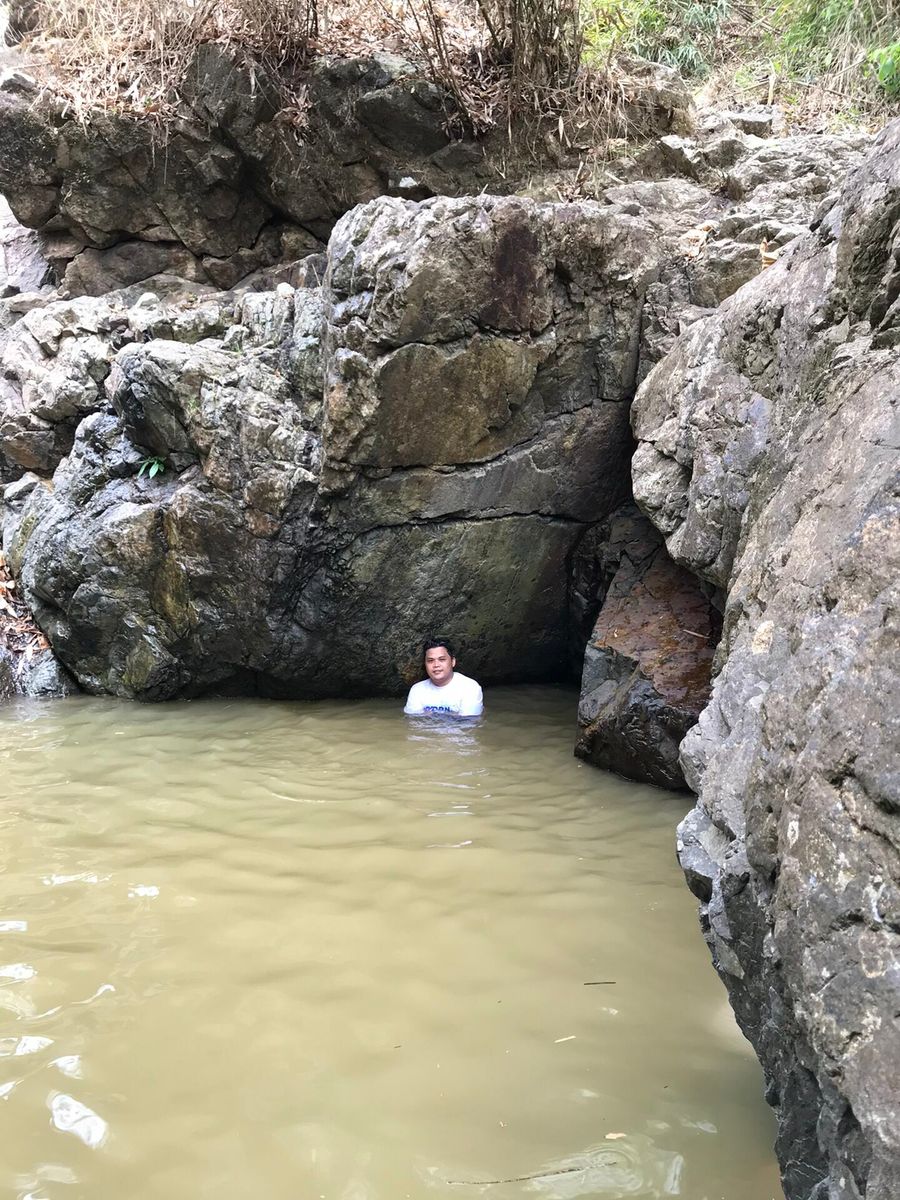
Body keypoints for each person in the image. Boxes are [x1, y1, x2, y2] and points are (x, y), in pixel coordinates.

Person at [403, 638, 484, 717]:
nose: (436, 665)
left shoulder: (470, 688)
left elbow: (469, 722)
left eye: (442, 659)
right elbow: (413, 721)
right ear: (425, 664)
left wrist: (430, 716)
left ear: (453, 662)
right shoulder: (417, 690)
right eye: (430, 661)